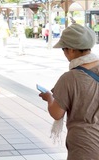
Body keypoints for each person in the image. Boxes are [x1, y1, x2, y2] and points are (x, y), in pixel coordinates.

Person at [39, 23, 99, 160]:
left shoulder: (69, 78)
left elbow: (56, 113)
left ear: (71, 50)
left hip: (85, 146)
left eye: (64, 49)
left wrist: (49, 97)